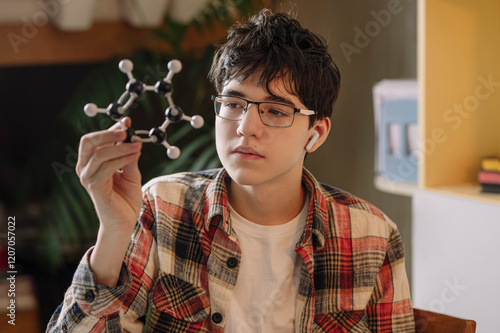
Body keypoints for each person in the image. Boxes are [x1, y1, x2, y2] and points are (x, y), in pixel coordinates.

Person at [47, 9, 415, 333]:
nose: (245, 127)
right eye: (234, 103)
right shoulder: (162, 207)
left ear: (315, 133)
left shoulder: (372, 236)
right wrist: (113, 232)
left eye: (275, 110)